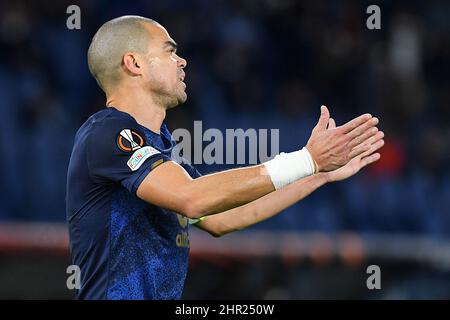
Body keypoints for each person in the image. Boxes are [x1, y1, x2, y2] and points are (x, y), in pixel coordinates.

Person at [66, 15, 384, 300]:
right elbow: (193, 198)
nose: (182, 61)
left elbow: (223, 219)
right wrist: (307, 159)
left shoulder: (163, 151)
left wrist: (319, 173)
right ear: (134, 63)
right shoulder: (107, 134)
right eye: (168, 50)